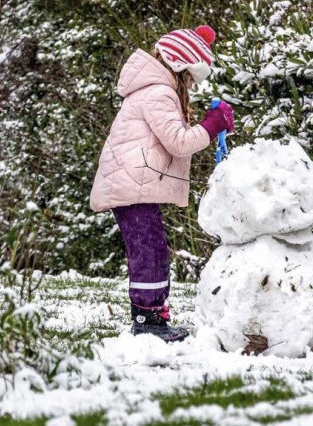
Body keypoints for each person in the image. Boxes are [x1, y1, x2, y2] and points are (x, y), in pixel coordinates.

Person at [89, 25, 234, 342]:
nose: (191, 88)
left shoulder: (153, 90)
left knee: (150, 250)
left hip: (133, 184)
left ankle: (153, 315)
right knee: (149, 252)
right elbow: (179, 142)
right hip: (132, 185)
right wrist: (213, 124)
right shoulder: (158, 93)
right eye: (191, 81)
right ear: (182, 68)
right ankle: (148, 320)